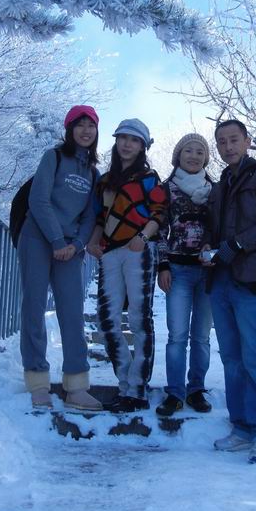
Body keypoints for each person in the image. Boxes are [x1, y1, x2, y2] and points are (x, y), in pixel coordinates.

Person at [203, 119, 256, 466]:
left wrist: (237, 245)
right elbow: (214, 227)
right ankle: (241, 427)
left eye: (233, 140)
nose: (228, 147)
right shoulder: (220, 184)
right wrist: (209, 246)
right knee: (231, 357)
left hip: (253, 278)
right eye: (221, 142)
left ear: (247, 141)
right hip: (221, 279)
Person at [18, 105, 102, 412]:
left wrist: (77, 245)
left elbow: (91, 216)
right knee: (34, 305)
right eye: (80, 125)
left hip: (69, 248)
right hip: (37, 238)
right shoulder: (53, 157)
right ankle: (38, 380)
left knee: (72, 311)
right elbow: (38, 200)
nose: (86, 131)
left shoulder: (94, 173)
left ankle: (76, 385)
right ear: (69, 129)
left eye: (91, 126)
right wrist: (56, 240)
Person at [87, 118, 167, 413]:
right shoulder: (105, 181)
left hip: (138, 250)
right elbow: (101, 216)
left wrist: (143, 237)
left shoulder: (149, 178)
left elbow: (160, 211)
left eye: (134, 140)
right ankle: (124, 384)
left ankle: (137, 389)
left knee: (138, 318)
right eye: (123, 138)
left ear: (142, 146)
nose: (127, 144)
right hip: (109, 252)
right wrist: (93, 241)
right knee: (107, 319)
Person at [156, 133, 214, 417]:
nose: (194, 156)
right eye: (188, 150)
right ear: (178, 155)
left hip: (208, 271)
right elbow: (159, 230)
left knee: (201, 337)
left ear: (206, 158)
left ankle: (196, 389)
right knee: (177, 336)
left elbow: (221, 227)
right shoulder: (167, 189)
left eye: (200, 152)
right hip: (177, 271)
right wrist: (163, 265)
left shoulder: (215, 189)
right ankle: (175, 392)